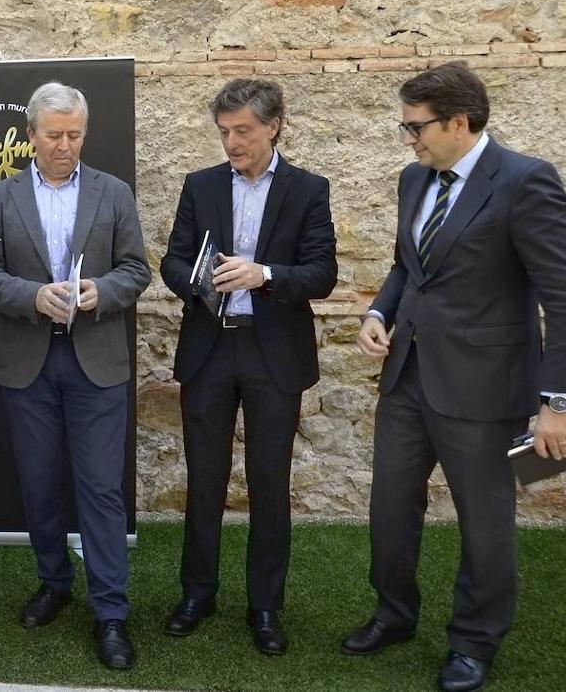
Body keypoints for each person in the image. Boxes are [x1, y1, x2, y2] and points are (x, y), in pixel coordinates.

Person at [349, 61, 566, 692]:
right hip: (407, 377)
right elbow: (406, 266)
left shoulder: (525, 181)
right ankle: (394, 614)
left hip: (485, 387)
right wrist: (377, 313)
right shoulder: (414, 179)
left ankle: (474, 642)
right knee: (390, 507)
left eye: (415, 127)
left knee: (484, 522)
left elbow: (561, 296)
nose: (408, 139)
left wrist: (556, 402)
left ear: (459, 123)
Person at [0, 81, 152, 670]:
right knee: (39, 484)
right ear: (30, 136)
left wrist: (102, 290)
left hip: (96, 360)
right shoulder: (0, 197)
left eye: (75, 134)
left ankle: (111, 611)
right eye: (54, 135)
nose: (65, 146)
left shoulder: (113, 192)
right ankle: (54, 581)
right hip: (29, 362)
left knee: (100, 488)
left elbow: (137, 269)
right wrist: (32, 296)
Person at [159, 78, 337, 655]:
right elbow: (173, 260)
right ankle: (197, 595)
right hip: (209, 349)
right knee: (204, 480)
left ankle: (265, 606)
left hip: (273, 354)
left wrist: (265, 275)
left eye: (243, 131)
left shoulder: (308, 189)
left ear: (274, 126)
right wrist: (197, 282)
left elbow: (322, 274)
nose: (232, 142)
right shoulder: (201, 185)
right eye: (224, 131)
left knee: (269, 483)